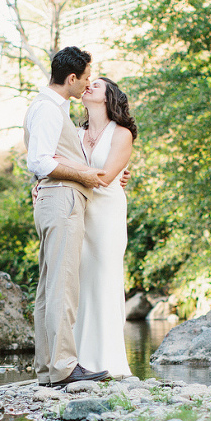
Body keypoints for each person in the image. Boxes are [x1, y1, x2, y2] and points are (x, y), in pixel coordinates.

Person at [23, 46, 111, 388]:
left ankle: (47, 369)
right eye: (86, 77)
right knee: (63, 285)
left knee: (48, 287)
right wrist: (86, 177)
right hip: (62, 199)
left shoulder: (47, 107)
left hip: (53, 199)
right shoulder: (48, 109)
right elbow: (40, 162)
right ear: (71, 78)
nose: (88, 83)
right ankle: (63, 366)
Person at [74, 77, 137, 378]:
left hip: (108, 213)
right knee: (82, 284)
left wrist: (64, 171)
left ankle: (111, 362)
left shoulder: (122, 134)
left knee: (106, 281)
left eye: (96, 85)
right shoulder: (75, 133)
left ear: (109, 96)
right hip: (80, 212)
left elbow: (108, 175)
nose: (88, 86)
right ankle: (80, 361)